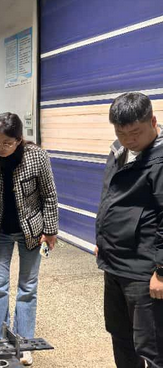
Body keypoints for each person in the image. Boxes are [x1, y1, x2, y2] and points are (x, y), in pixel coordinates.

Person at [0, 112, 58, 366]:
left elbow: (49, 195)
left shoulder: (37, 157)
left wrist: (50, 230)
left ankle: (24, 343)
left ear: (19, 140)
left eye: (7, 143)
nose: (0, 148)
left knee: (27, 287)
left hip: (31, 230)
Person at [95, 92, 163, 368]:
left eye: (135, 133)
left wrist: (161, 271)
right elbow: (109, 197)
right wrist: (102, 239)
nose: (128, 140)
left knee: (152, 346)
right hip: (115, 263)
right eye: (121, 133)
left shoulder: (159, 160)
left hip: (143, 270)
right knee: (121, 337)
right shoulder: (118, 151)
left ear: (153, 122)